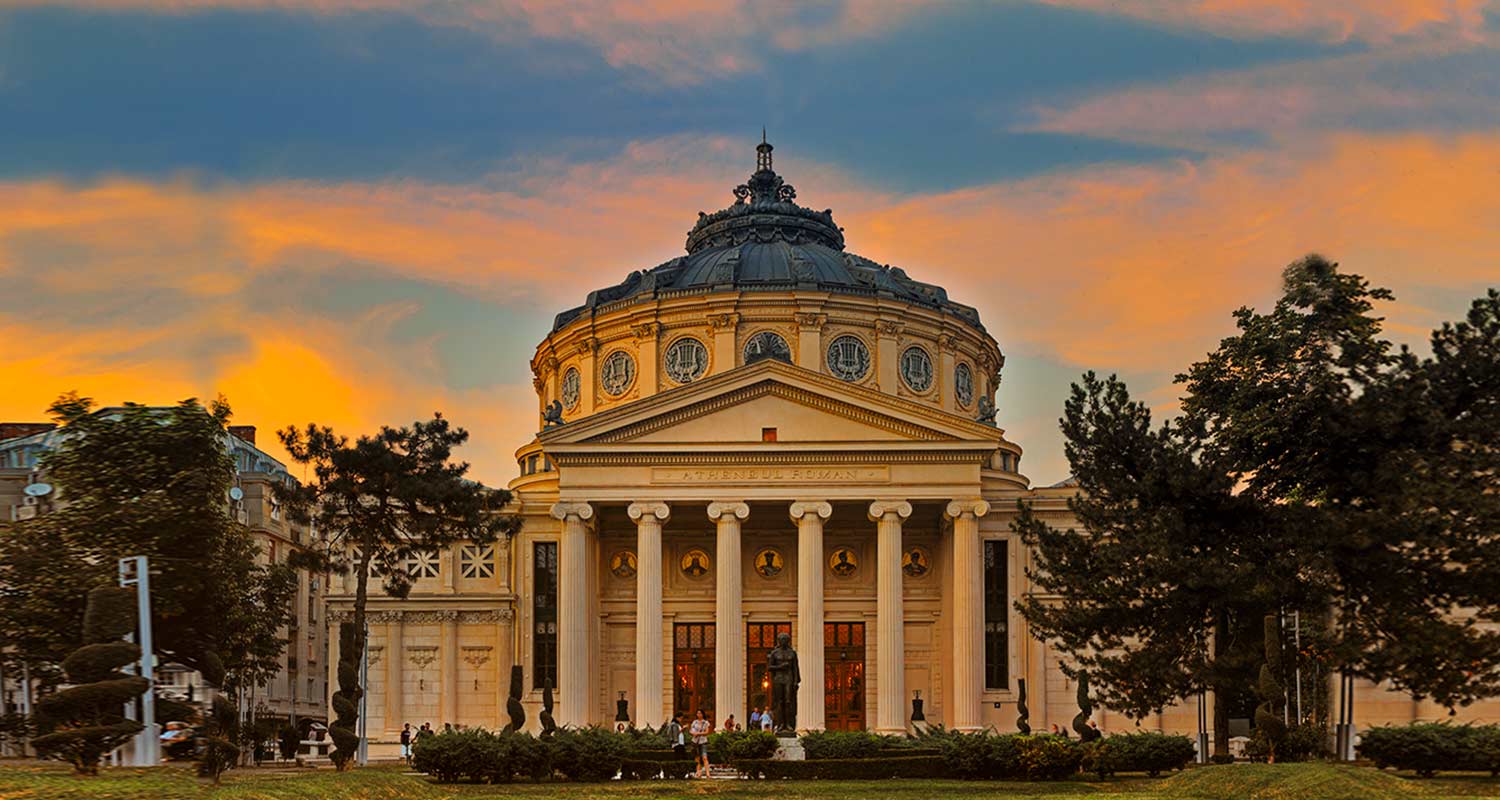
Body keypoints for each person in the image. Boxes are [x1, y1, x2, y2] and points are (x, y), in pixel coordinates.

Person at [690, 709, 711, 778]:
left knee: (704, 757)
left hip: (703, 741)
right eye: (697, 713)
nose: (699, 715)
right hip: (695, 741)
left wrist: (698, 733)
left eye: (700, 713)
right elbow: (691, 731)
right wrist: (693, 733)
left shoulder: (706, 723)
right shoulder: (694, 722)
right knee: (697, 758)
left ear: (703, 714)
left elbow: (707, 732)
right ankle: (698, 773)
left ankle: (708, 773)